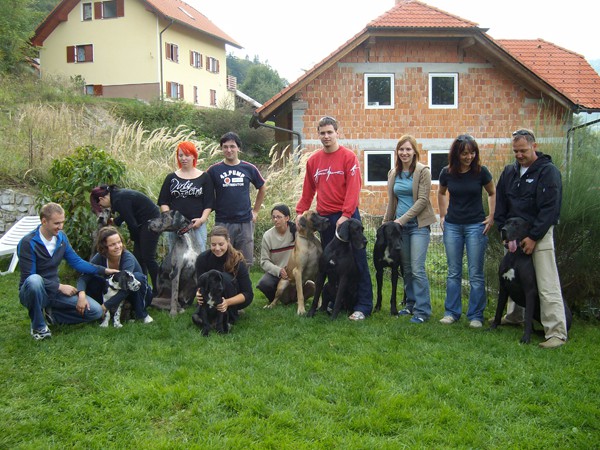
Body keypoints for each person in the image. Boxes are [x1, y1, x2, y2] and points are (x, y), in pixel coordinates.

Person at [494, 128, 568, 349]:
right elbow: (501, 204)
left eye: (523, 150)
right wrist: (503, 232)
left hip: (540, 234)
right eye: (515, 151)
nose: (519, 155)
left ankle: (556, 332)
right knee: (512, 278)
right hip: (514, 235)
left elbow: (550, 209)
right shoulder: (510, 172)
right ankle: (514, 317)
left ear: (534, 146)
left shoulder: (547, 172)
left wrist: (534, 236)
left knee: (546, 283)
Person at [295, 116, 373, 321]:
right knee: (330, 264)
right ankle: (333, 302)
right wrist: (300, 211)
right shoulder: (313, 161)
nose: (326, 136)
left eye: (330, 132)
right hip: (326, 220)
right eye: (322, 133)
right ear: (318, 135)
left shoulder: (348, 157)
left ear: (337, 133)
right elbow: (308, 190)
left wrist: (346, 215)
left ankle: (363, 306)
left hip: (347, 218)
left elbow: (353, 188)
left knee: (357, 261)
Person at [17, 202, 119, 340]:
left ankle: (52, 315)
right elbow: (29, 277)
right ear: (44, 221)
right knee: (35, 280)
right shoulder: (28, 243)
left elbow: (77, 262)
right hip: (32, 291)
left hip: (54, 293)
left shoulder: (61, 237)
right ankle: (38, 327)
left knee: (95, 312)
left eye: (62, 222)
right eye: (56, 223)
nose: (61, 226)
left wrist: (104, 270)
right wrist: (59, 286)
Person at [438, 134, 496, 328]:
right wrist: (443, 215)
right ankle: (451, 312)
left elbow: (492, 192)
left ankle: (476, 316)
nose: (469, 157)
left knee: (475, 273)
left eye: (472, 153)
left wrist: (492, 216)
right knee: (453, 271)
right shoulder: (447, 173)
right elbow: (441, 192)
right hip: (453, 226)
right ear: (456, 154)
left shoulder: (481, 172)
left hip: (475, 226)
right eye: (464, 153)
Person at [383, 135, 436, 324]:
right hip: (399, 229)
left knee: (417, 268)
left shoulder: (423, 171)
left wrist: (401, 221)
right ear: (397, 152)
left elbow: (422, 200)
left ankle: (423, 310)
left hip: (418, 226)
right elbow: (392, 201)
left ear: (414, 151)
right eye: (401, 149)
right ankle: (411, 304)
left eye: (408, 149)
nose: (404, 153)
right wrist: (386, 222)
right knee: (406, 268)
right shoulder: (393, 172)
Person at [207, 132, 266, 265]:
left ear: (238, 148)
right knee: (221, 260)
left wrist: (255, 211)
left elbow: (262, 187)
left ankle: (243, 286)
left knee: (244, 262)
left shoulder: (249, 168)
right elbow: (206, 192)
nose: (229, 150)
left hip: (245, 222)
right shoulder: (214, 170)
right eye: (225, 147)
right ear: (221, 148)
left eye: (232, 146)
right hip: (222, 222)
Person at [90, 185, 160, 295]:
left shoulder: (119, 199)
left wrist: (134, 238)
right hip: (143, 222)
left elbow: (132, 223)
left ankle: (158, 290)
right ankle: (143, 286)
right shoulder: (117, 196)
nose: (102, 207)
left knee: (148, 257)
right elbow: (127, 212)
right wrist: (116, 221)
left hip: (152, 221)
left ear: (101, 199)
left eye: (100, 205)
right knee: (138, 257)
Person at [77, 226, 153, 324]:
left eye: (119, 242)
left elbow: (125, 288)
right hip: (114, 293)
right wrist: (81, 295)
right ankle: (94, 311)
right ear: (104, 247)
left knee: (137, 277)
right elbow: (84, 277)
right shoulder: (100, 257)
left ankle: (140, 314)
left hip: (135, 294)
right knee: (93, 279)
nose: (118, 246)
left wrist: (106, 306)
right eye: (113, 244)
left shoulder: (127, 258)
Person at [158, 141, 214, 252]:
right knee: (175, 257)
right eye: (180, 155)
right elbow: (163, 201)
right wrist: (169, 218)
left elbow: (209, 202)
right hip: (175, 226)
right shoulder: (171, 177)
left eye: (187, 155)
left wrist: (202, 220)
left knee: (198, 257)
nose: (183, 158)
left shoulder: (204, 177)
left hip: (196, 225)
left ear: (194, 156)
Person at [195, 226, 254, 323]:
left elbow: (248, 294)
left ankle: (230, 312)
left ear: (228, 241)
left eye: (221, 244)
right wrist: (198, 293)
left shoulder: (237, 260)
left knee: (223, 277)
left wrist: (227, 302)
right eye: (213, 245)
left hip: (232, 296)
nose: (217, 248)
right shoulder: (202, 259)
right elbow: (200, 284)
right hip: (211, 296)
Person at [257, 204, 313, 304]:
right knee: (264, 284)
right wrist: (279, 271)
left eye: (279, 217)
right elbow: (264, 261)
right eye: (273, 217)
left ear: (287, 218)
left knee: (311, 284)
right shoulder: (267, 236)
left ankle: (297, 298)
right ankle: (278, 299)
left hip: (297, 271)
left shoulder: (297, 232)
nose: (275, 220)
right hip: (278, 271)